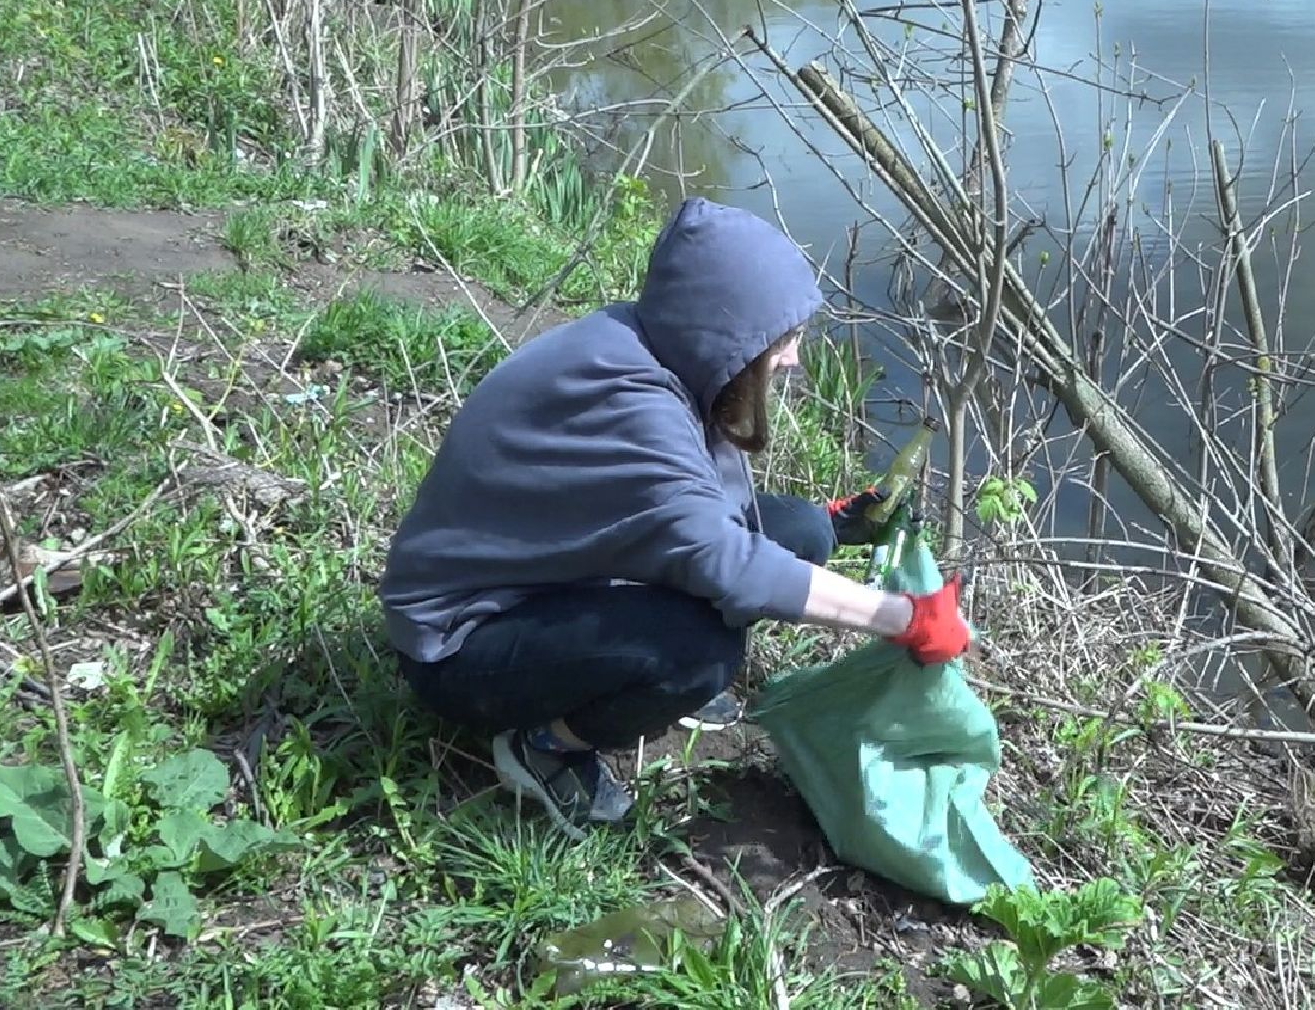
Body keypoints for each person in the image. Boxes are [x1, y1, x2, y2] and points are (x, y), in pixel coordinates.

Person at [374, 198, 971, 839]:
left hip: (556, 576)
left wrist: (833, 522)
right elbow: (723, 560)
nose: (794, 358)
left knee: (797, 532)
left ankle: (616, 677)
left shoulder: (648, 342)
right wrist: (905, 619)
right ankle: (544, 748)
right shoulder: (629, 403)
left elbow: (699, 505)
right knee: (699, 654)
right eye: (783, 341)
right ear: (730, 333)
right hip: (463, 644)